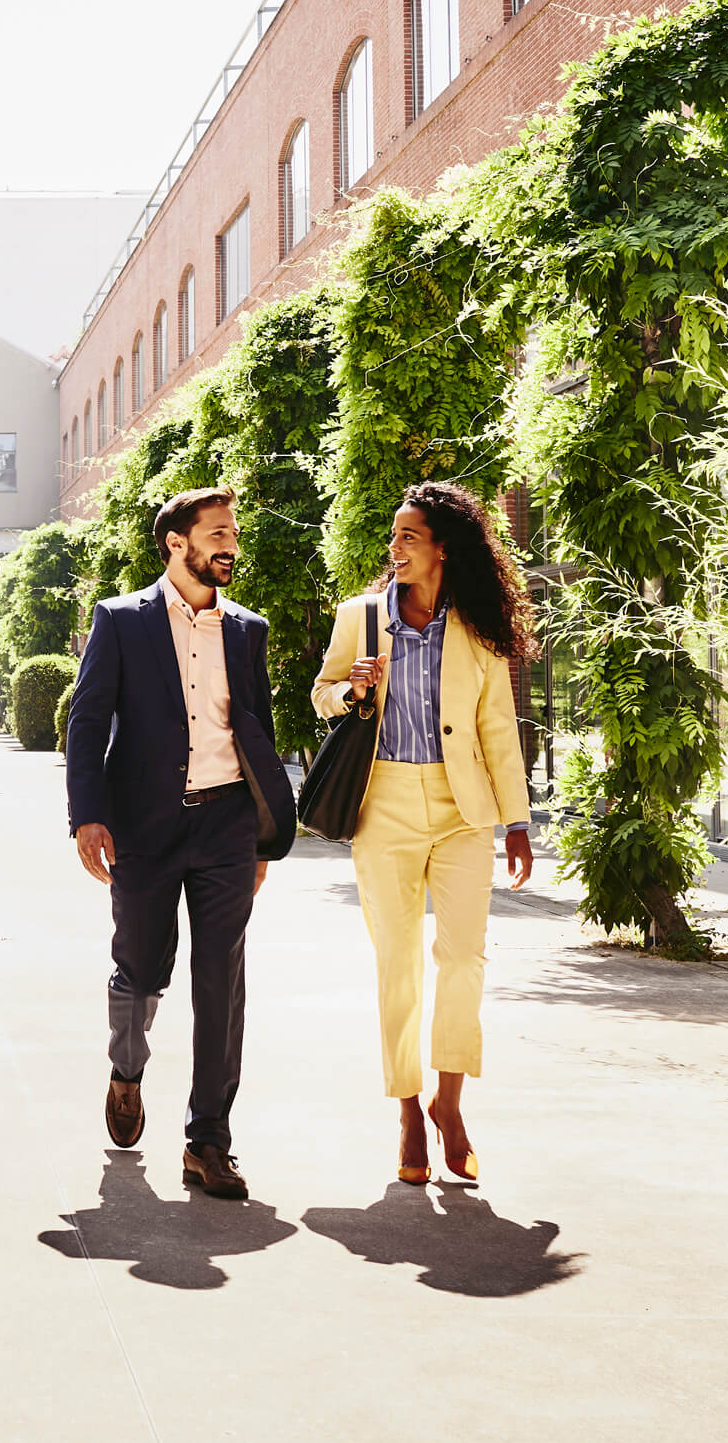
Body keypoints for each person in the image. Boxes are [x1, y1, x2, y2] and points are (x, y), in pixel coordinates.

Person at [61, 487, 297, 1201]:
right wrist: (87, 815)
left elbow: (256, 729)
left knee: (223, 982)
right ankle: (126, 1071)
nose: (230, 545)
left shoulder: (246, 629)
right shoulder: (122, 620)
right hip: (145, 824)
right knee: (139, 965)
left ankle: (208, 1143)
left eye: (233, 534)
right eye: (218, 533)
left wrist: (261, 833)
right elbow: (89, 718)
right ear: (176, 543)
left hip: (227, 825)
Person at [309, 481, 537, 1186]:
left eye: (410, 536)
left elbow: (498, 729)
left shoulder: (476, 626)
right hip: (385, 807)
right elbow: (321, 696)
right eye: (394, 536)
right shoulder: (362, 616)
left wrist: (517, 821)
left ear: (443, 546)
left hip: (462, 809)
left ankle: (451, 1101)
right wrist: (352, 686)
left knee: (464, 958)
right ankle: (408, 1109)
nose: (396, 547)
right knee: (398, 961)